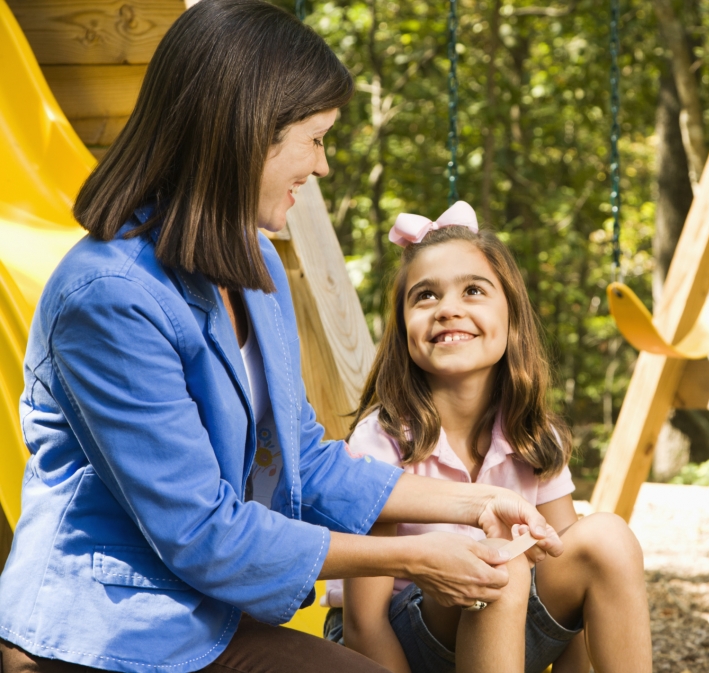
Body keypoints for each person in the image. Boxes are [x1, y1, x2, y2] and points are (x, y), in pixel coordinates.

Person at [0, 3, 563, 672]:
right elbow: (202, 531)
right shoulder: (107, 298)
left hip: (201, 619)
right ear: (248, 133)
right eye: (315, 137)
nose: (323, 164)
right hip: (104, 635)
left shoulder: (256, 261)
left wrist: (475, 502)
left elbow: (305, 457)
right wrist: (414, 554)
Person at [327, 204, 652, 673]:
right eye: (425, 297)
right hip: (392, 647)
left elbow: (568, 576)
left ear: (512, 317)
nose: (449, 309)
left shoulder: (533, 434)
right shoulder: (383, 440)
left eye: (473, 290)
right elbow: (362, 625)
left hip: (503, 626)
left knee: (606, 539)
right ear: (402, 329)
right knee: (501, 564)